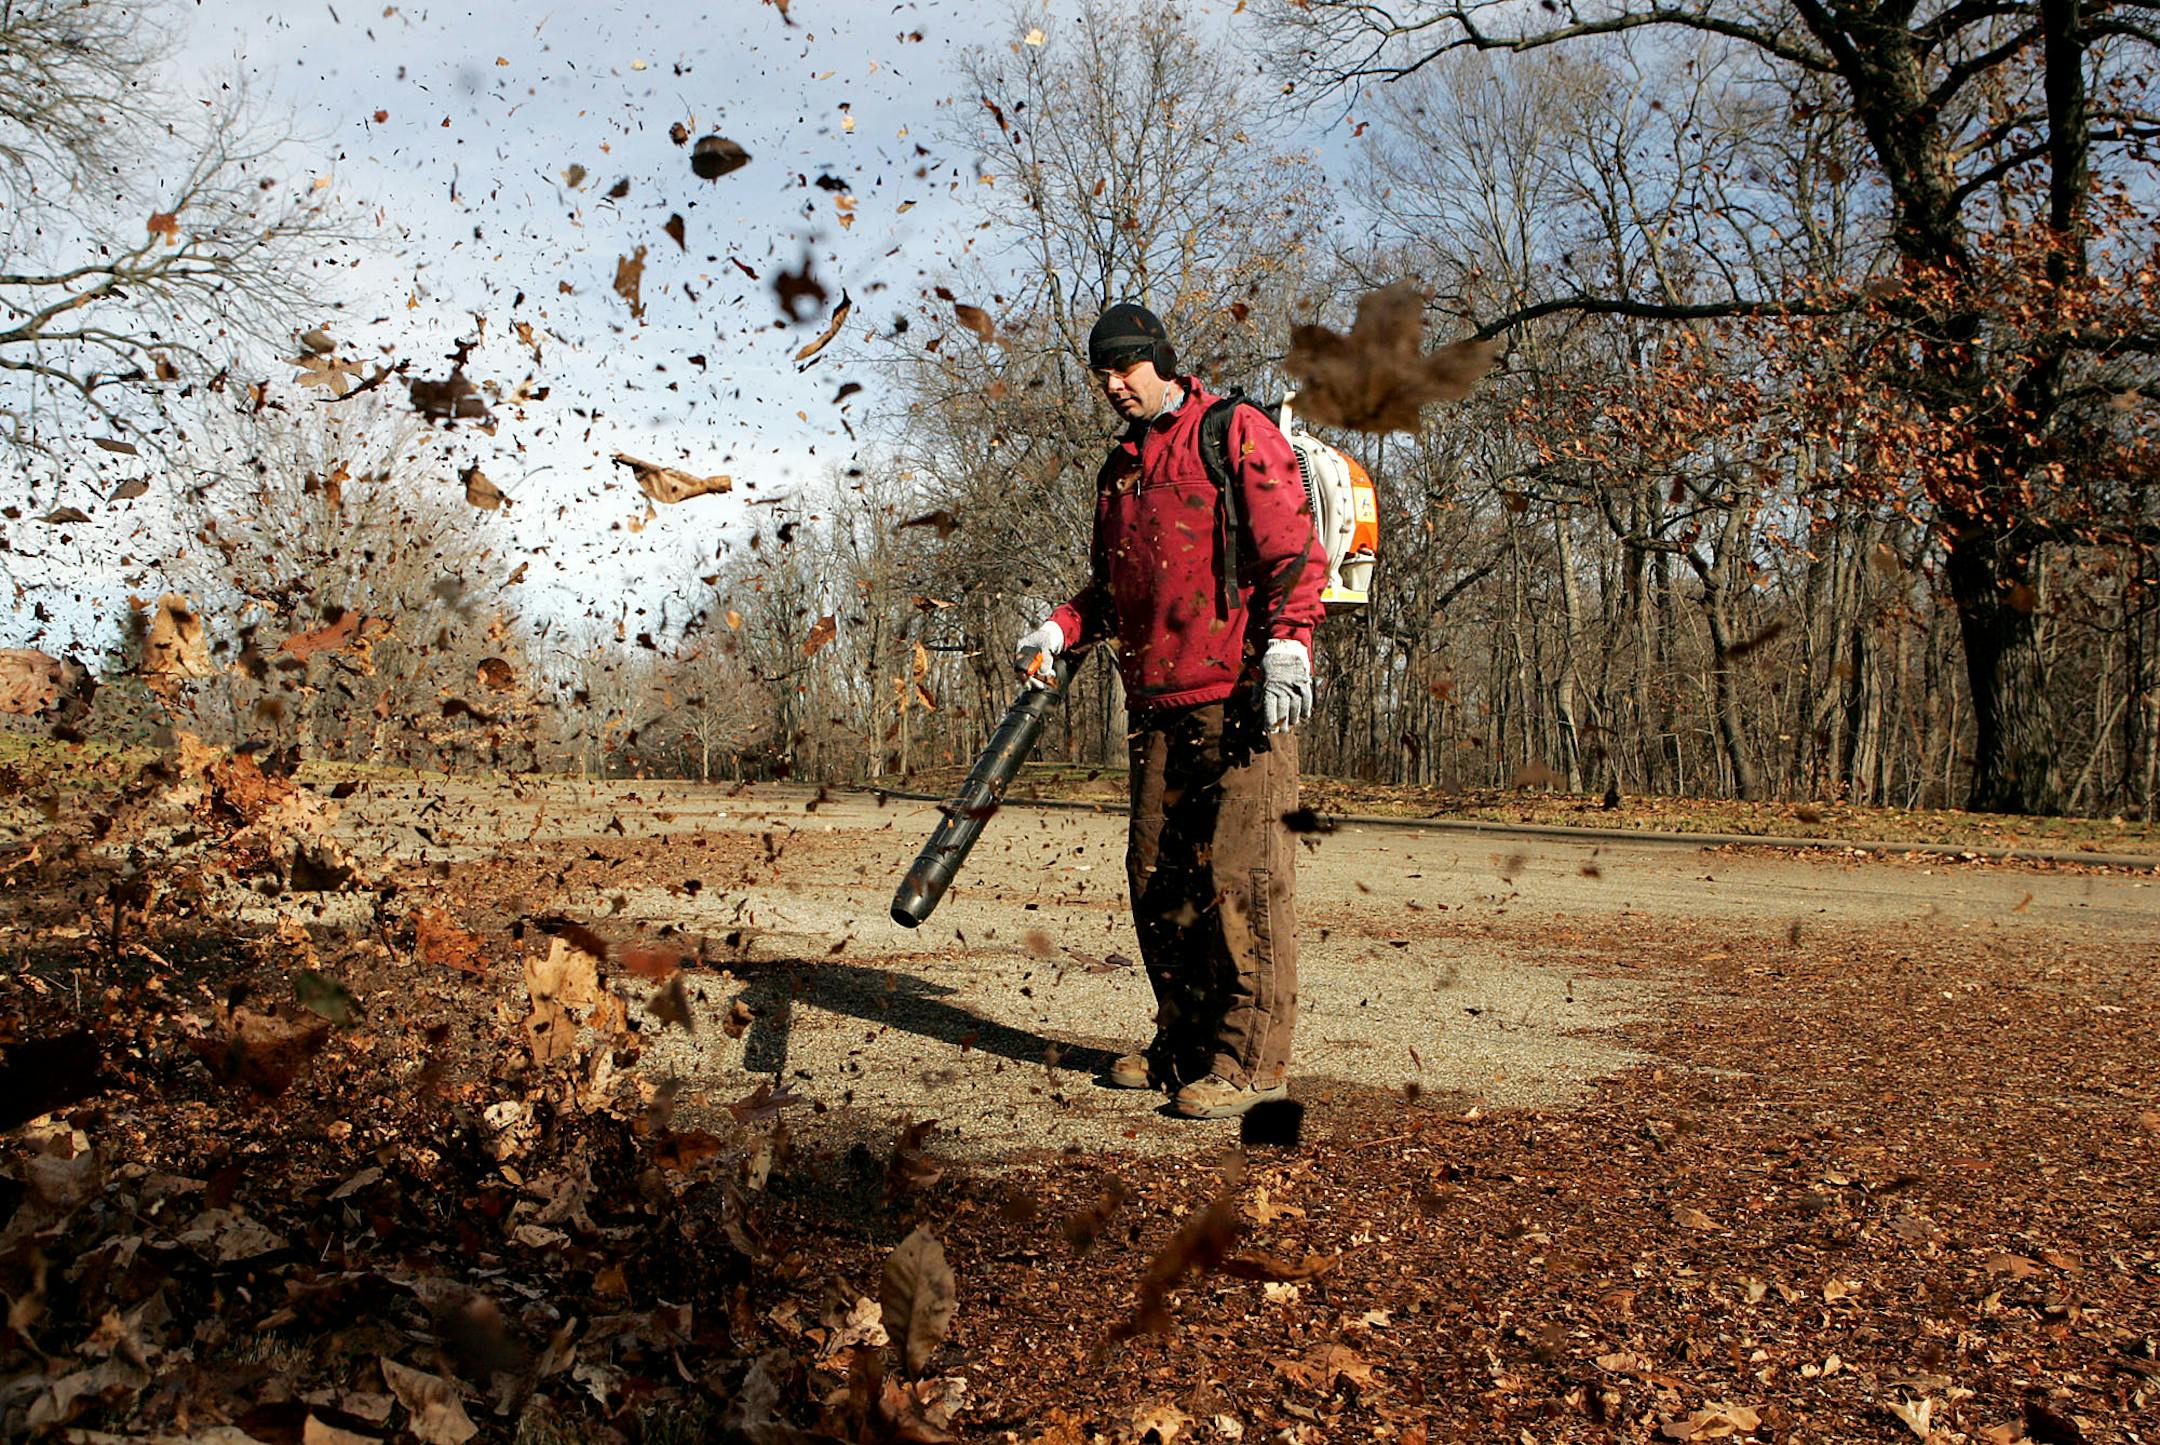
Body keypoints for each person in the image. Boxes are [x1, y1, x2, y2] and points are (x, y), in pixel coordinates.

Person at [1014, 301, 1327, 1120]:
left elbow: (1293, 548)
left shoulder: (1235, 432)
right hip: (1154, 702)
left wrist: (1291, 641)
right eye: (1103, 375)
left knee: (1242, 878)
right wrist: (1063, 627)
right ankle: (1183, 1044)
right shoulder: (1118, 471)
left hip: (1242, 696)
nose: (1115, 386)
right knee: (1158, 881)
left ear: (1160, 359)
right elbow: (1112, 587)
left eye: (1127, 368)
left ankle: (1250, 1063)